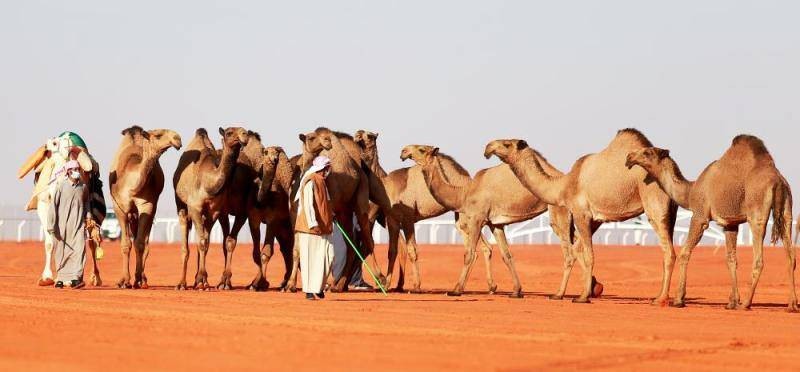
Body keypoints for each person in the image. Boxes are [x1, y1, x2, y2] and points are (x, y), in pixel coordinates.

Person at [294, 156, 335, 300]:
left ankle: (318, 287)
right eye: (326, 168)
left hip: (325, 227)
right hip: (310, 228)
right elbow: (308, 204)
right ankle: (309, 291)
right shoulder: (310, 181)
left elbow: (326, 203)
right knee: (309, 259)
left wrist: (331, 215)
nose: (327, 171)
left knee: (329, 256)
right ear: (321, 168)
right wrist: (313, 223)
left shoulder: (323, 182)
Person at [47, 160, 89, 289]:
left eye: (78, 168)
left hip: (78, 225)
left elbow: (87, 203)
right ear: (68, 171)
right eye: (74, 169)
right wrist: (51, 225)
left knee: (80, 250)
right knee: (61, 252)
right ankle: (60, 278)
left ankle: (76, 278)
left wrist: (89, 217)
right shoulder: (61, 186)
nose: (76, 171)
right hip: (61, 226)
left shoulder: (83, 187)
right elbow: (53, 206)